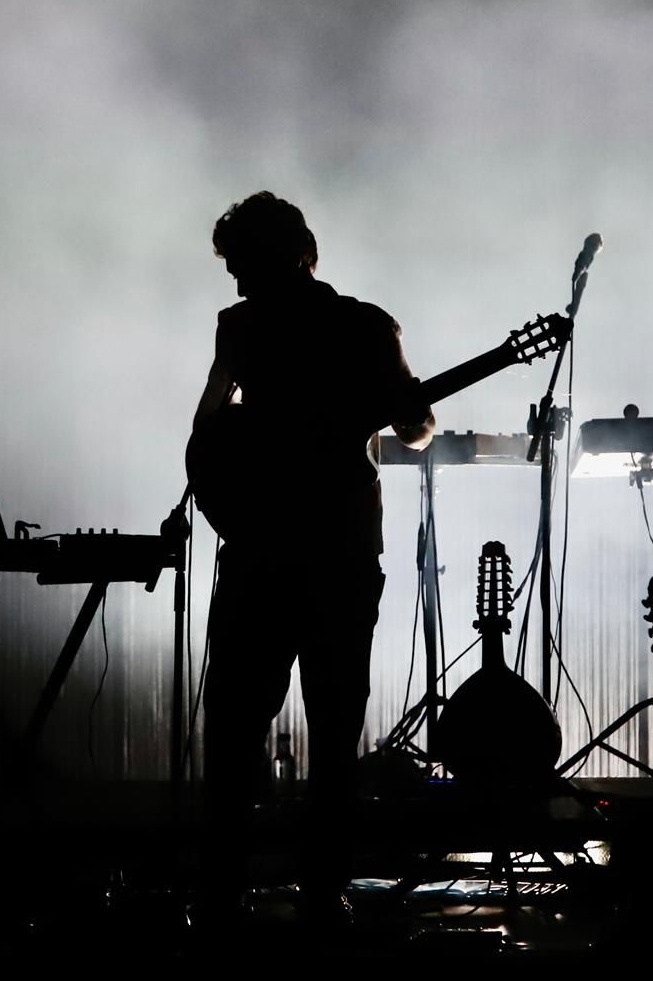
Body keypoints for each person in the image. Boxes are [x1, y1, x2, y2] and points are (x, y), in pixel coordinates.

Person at [191, 191, 434, 922]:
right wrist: (408, 407)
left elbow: (207, 427)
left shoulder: (238, 327)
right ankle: (323, 895)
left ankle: (224, 892)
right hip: (339, 553)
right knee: (334, 728)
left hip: (261, 549)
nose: (235, 282)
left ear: (282, 255)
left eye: (242, 264)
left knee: (234, 726)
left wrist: (222, 490)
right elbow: (416, 428)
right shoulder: (364, 326)